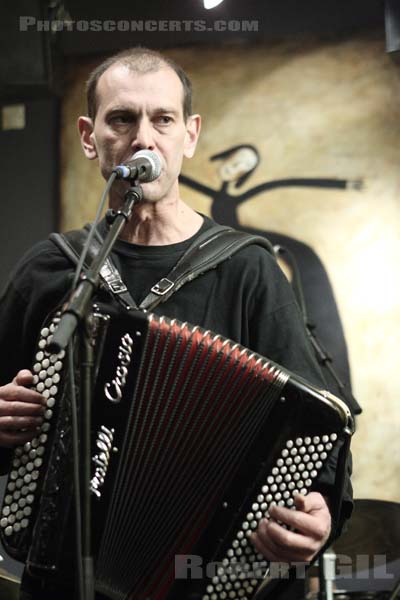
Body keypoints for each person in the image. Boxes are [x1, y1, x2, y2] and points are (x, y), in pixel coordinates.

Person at [0, 47, 352, 599]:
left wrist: (320, 515)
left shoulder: (248, 271)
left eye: (162, 119)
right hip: (64, 579)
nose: (144, 137)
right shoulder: (50, 271)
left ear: (188, 135)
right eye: (122, 118)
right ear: (91, 137)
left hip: (206, 580)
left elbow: (318, 426)